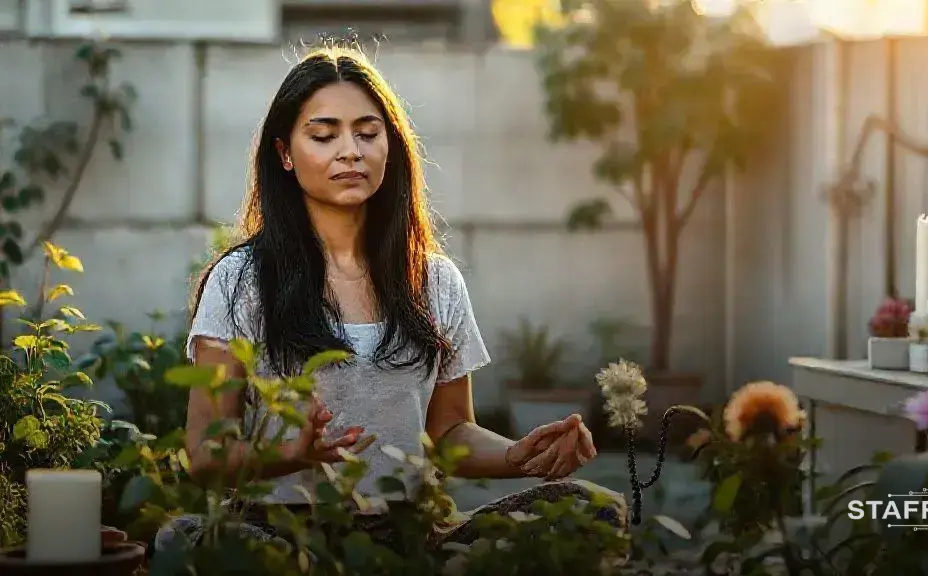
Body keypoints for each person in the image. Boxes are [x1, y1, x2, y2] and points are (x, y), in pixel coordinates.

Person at [155, 44, 626, 552]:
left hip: (406, 532)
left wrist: (519, 456)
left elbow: (449, 431)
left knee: (592, 508)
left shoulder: (434, 280)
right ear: (285, 154)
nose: (350, 150)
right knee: (185, 540)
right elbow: (205, 454)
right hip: (282, 534)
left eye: (367, 132)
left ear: (390, 147)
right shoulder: (240, 281)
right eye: (324, 134)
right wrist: (290, 452)